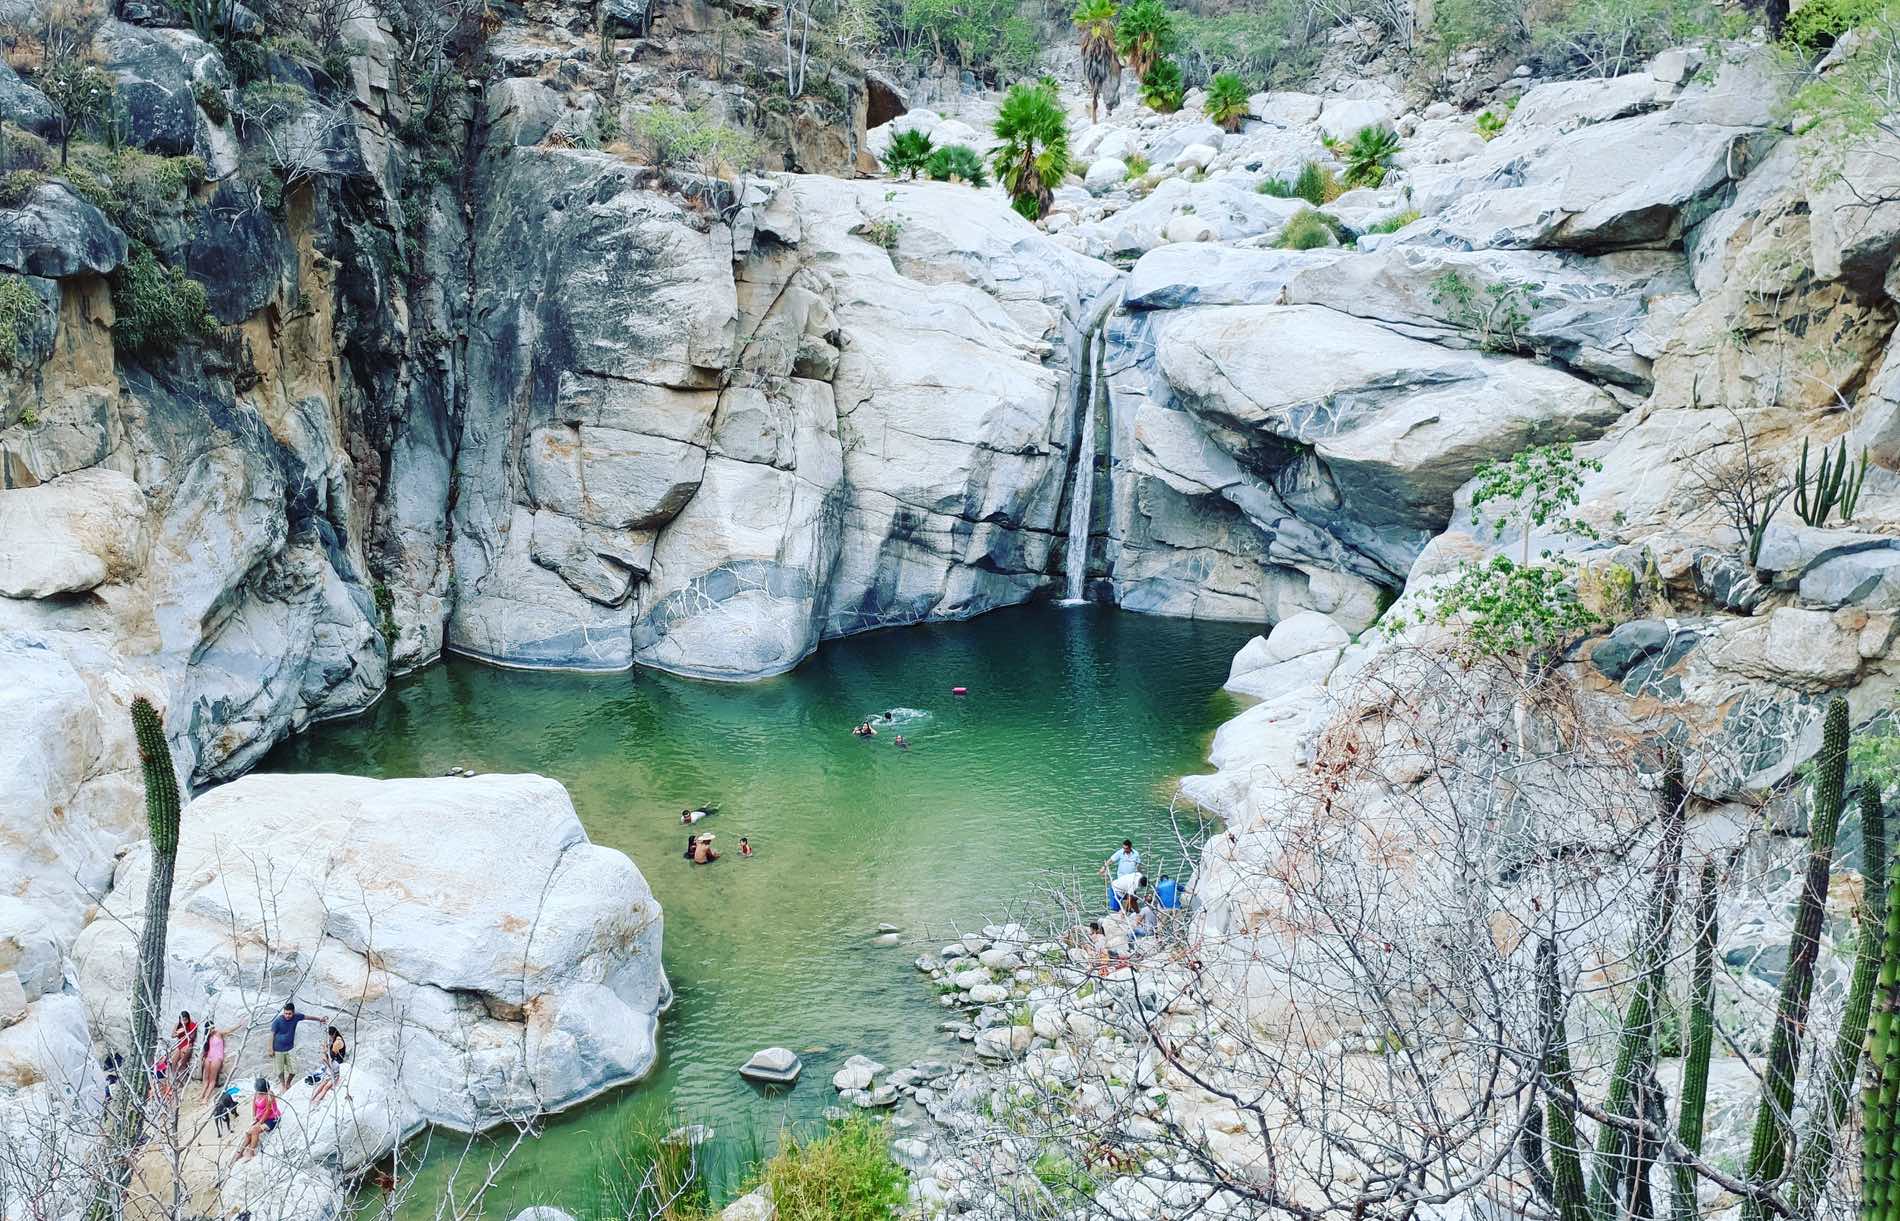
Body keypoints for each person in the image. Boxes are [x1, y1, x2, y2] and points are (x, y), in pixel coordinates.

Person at [270, 1002, 327, 1092]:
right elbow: (272, 1035)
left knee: (294, 1069)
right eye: (285, 1013)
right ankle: (283, 1084)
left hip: (290, 1048)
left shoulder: (296, 1017)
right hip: (278, 1049)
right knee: (280, 1070)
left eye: (289, 1013)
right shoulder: (278, 1021)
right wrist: (270, 1049)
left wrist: (319, 1019)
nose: (287, 1015)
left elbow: (307, 1017)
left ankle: (288, 1082)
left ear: (293, 1012)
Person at [236, 1079, 280, 1161]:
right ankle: (240, 1151)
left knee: (255, 1130)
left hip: (271, 1119)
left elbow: (268, 1111)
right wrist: (254, 1116)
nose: (259, 1093)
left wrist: (259, 1123)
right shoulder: (257, 1093)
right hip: (260, 1116)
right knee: (248, 1133)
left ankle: (251, 1152)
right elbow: (254, 1104)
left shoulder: (269, 1095)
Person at [198, 1021, 239, 1103]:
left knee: (212, 1079)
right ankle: (201, 1095)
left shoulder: (218, 1033)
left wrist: (239, 1024)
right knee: (206, 1078)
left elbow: (228, 1031)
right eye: (210, 1028)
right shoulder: (208, 1037)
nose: (212, 1029)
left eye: (213, 1028)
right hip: (209, 1057)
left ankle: (206, 1097)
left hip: (217, 1058)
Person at [310, 1026, 347, 1105]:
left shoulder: (337, 1042)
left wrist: (325, 1051)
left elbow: (331, 1057)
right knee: (323, 1084)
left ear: (333, 1034)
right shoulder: (336, 1039)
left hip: (335, 1065)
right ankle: (313, 1099)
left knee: (326, 1086)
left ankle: (316, 1100)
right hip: (333, 1064)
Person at [170, 1011, 198, 1085]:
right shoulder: (178, 1025)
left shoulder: (192, 1025)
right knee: (173, 1062)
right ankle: (175, 1080)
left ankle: (184, 1082)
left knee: (182, 1064)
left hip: (187, 1045)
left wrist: (185, 1031)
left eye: (185, 1020)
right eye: (182, 1020)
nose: (184, 1022)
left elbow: (192, 1037)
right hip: (180, 1045)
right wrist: (178, 1032)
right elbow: (172, 1035)